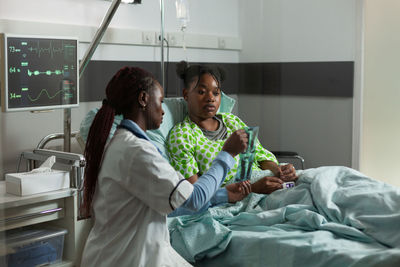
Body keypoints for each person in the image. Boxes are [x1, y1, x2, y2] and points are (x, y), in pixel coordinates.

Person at [80, 66, 251, 267]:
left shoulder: (123, 143)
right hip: (125, 260)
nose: (163, 110)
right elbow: (193, 200)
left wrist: (223, 195)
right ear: (144, 99)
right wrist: (227, 154)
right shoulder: (138, 152)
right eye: (160, 102)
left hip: (121, 254)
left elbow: (171, 206)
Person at [167, 61, 298, 194]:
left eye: (216, 93)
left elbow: (259, 155)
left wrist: (280, 171)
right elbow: (195, 195)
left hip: (269, 182)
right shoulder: (182, 136)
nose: (210, 98)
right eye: (202, 92)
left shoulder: (232, 121)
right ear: (186, 94)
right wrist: (252, 189)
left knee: (315, 180)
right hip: (236, 197)